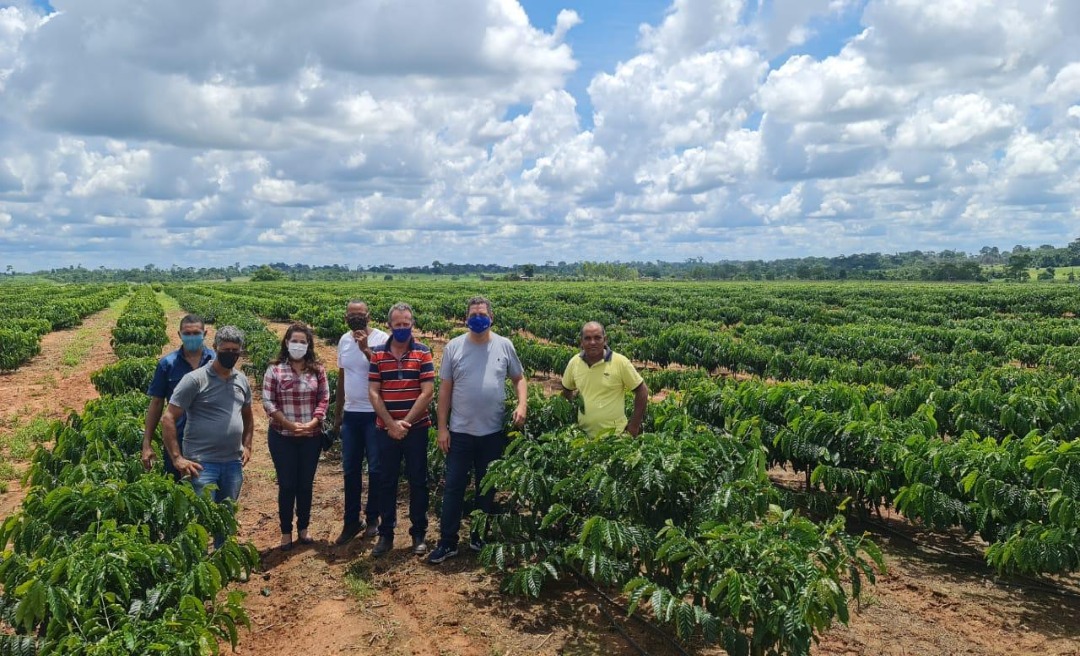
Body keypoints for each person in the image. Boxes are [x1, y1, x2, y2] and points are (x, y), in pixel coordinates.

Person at [427, 296, 527, 565]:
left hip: (492, 433)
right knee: (454, 488)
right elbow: (444, 391)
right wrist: (442, 428)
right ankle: (448, 541)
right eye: (473, 314)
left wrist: (522, 404)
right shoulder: (454, 347)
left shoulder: (504, 345)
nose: (477, 318)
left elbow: (519, 378)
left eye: (482, 314)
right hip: (459, 433)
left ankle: (478, 536)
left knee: (486, 488)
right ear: (465, 319)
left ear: (491, 317)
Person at [162, 325, 253, 547]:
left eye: (235, 350)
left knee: (226, 515)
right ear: (214, 348)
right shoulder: (195, 379)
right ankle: (197, 565)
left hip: (232, 462)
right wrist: (177, 458)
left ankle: (222, 559)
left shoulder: (241, 380)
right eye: (226, 349)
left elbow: (248, 417)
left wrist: (248, 446)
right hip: (201, 463)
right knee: (200, 519)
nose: (231, 354)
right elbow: (168, 418)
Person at [368, 302, 435, 557]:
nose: (402, 328)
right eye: (398, 324)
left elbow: (427, 392)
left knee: (418, 481)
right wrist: (390, 423)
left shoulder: (423, 352)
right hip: (385, 430)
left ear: (412, 325)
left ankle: (418, 533)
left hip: (416, 429)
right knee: (387, 482)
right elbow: (374, 392)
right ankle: (386, 534)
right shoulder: (377, 354)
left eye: (406, 324)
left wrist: (404, 422)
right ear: (389, 326)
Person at [262, 323, 330, 551]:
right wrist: (289, 424)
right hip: (282, 436)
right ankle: (285, 531)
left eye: (303, 341)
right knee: (287, 484)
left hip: (311, 437)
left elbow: (324, 398)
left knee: (305, 484)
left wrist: (312, 423)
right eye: (295, 341)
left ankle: (303, 528)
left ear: (309, 345)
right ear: (286, 342)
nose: (298, 345)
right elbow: (268, 402)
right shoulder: (275, 370)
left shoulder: (317, 370)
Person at [332, 300, 389, 545]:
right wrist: (338, 412)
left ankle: (373, 518)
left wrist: (366, 349)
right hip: (352, 414)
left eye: (360, 314)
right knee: (350, 470)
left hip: (374, 414)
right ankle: (351, 521)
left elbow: (386, 372)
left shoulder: (382, 339)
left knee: (376, 469)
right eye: (351, 315)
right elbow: (343, 376)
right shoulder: (343, 340)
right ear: (346, 317)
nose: (356, 318)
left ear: (369, 315)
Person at [142, 314, 215, 477]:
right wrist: (146, 443)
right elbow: (156, 403)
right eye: (187, 334)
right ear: (179, 334)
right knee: (178, 488)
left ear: (205, 333)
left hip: (211, 440)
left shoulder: (215, 362)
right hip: (177, 439)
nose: (191, 337)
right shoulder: (167, 364)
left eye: (196, 333)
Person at [560, 321, 648, 438]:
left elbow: (642, 390)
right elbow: (566, 391)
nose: (592, 342)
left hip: (615, 438)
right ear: (581, 342)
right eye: (587, 338)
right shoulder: (574, 363)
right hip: (583, 438)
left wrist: (634, 427)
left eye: (597, 338)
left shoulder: (620, 362)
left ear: (605, 340)